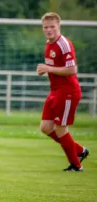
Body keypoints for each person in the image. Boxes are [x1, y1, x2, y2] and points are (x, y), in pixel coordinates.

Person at [37, 12, 89, 172]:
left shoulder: (64, 44)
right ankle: (79, 151)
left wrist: (48, 68)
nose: (49, 30)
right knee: (46, 127)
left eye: (52, 26)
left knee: (61, 129)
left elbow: (72, 69)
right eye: (46, 27)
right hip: (55, 91)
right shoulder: (49, 44)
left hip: (68, 92)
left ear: (59, 26)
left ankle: (76, 165)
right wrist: (46, 70)